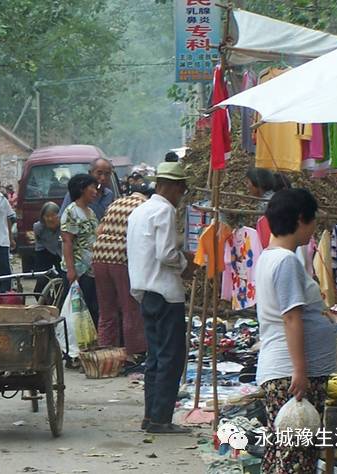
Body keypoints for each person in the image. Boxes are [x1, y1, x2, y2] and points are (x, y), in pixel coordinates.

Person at [255, 188, 337, 473]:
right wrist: (300, 372)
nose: (314, 228)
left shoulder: (270, 256)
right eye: (313, 221)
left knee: (282, 452)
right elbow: (292, 318)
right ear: (301, 219)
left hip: (283, 370)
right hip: (292, 374)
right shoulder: (286, 261)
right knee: (296, 457)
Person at [127, 162, 195, 434]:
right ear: (175, 187)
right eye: (181, 191)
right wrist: (186, 263)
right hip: (166, 292)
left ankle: (151, 415)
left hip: (145, 290)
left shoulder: (140, 211)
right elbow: (166, 254)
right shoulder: (165, 211)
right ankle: (161, 419)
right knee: (171, 357)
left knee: (155, 356)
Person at [93, 182, 150, 357]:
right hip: (121, 257)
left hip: (99, 255)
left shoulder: (116, 203)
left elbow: (99, 230)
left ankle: (106, 351)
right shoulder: (144, 207)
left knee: (106, 308)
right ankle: (134, 352)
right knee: (130, 307)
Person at [60, 174, 100, 328]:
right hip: (78, 269)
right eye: (92, 187)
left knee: (91, 307)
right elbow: (67, 241)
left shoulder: (90, 211)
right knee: (77, 310)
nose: (96, 191)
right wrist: (71, 270)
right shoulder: (71, 212)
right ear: (82, 188)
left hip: (91, 269)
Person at [33, 202, 62, 294]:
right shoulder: (38, 227)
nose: (50, 219)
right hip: (44, 251)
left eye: (53, 215)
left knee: (61, 283)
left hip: (61, 253)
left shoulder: (64, 227)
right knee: (40, 286)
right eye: (47, 216)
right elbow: (39, 247)